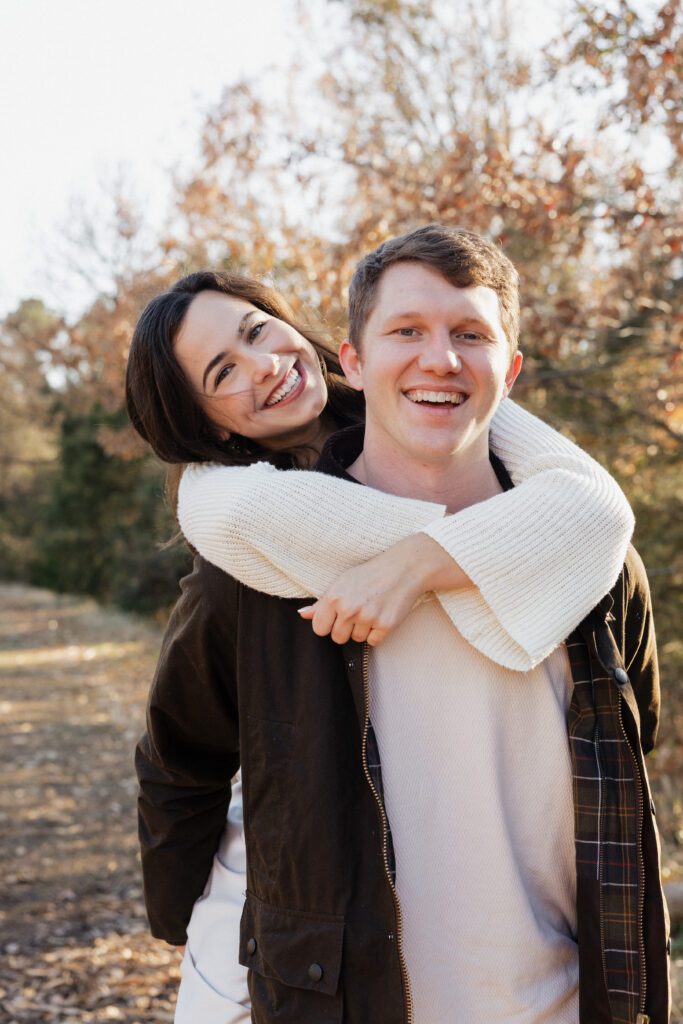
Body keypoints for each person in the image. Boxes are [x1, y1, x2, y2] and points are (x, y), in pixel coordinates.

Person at [130, 229, 669, 1022]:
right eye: (223, 373)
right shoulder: (248, 559)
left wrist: (422, 560)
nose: (265, 367)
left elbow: (629, 732)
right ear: (357, 355)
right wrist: (197, 933)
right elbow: (181, 756)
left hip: (558, 994)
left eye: (255, 332)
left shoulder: (576, 545)